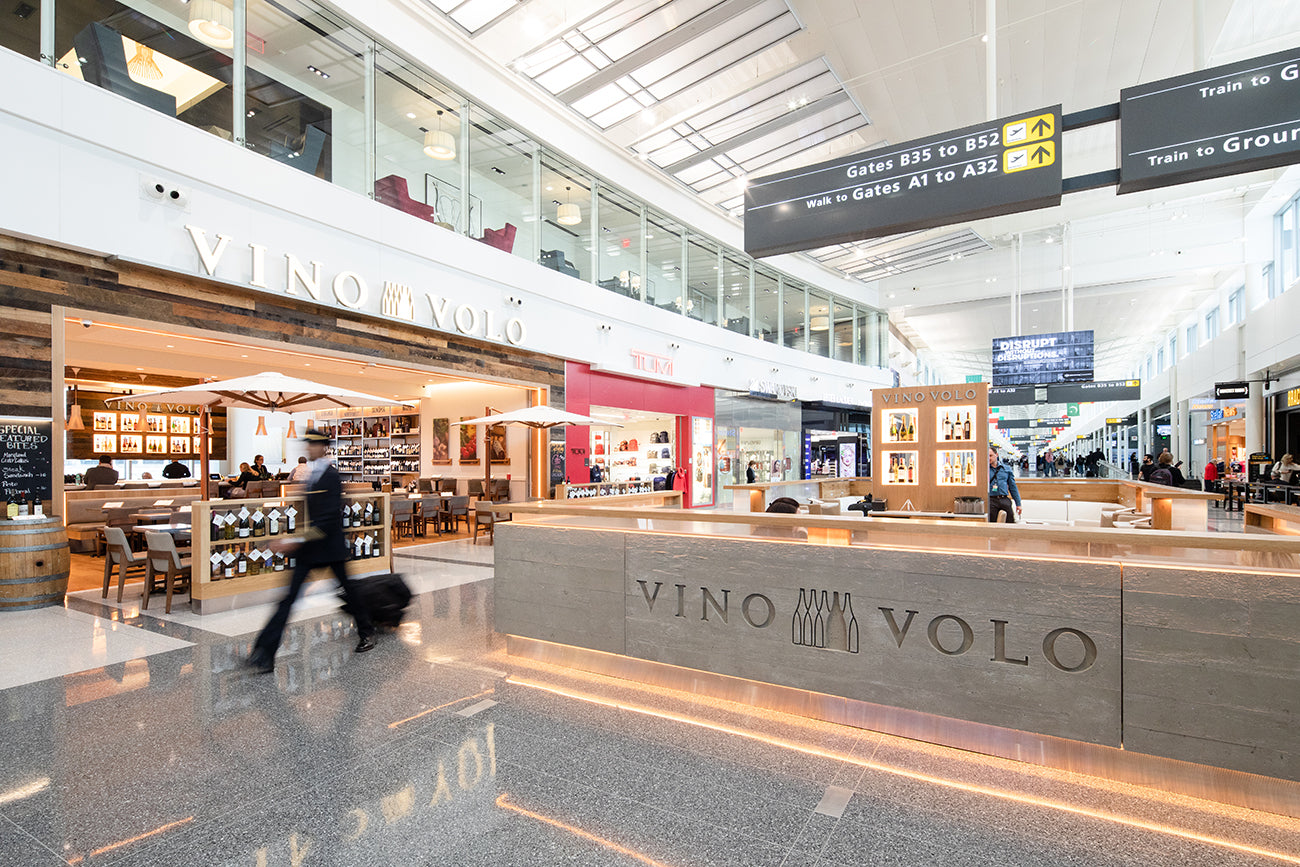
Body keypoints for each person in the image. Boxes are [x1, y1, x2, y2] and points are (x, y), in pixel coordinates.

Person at [247, 429, 374, 673]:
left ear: (323, 447)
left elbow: (327, 519)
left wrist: (295, 541)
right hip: (311, 549)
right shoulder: (312, 475)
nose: (309, 449)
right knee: (287, 599)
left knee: (350, 591)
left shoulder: (331, 477)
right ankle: (264, 653)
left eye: (313, 445)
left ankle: (367, 632)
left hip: (331, 547)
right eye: (308, 445)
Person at [988, 448, 1021, 523]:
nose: (989, 458)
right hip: (991, 500)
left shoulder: (1006, 469)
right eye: (987, 456)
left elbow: (1013, 487)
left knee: (1010, 522)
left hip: (1004, 499)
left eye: (991, 455)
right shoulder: (984, 469)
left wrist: (1018, 504)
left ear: (996, 455)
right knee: (992, 523)